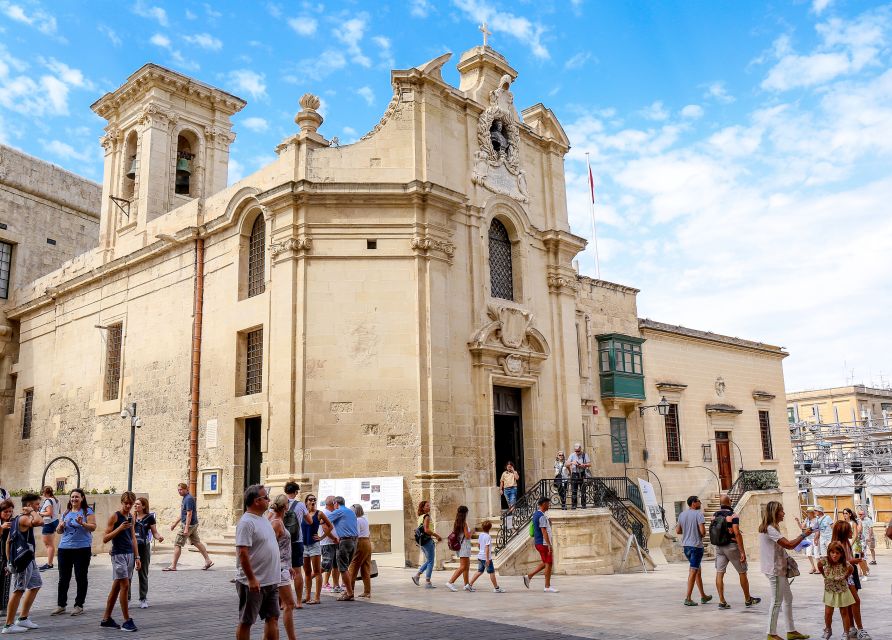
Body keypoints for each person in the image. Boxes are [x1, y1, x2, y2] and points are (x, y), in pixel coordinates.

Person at [758, 500, 811, 640]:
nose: (784, 513)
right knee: (776, 601)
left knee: (788, 598)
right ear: (775, 513)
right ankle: (771, 634)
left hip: (778, 568)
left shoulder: (772, 528)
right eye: (781, 510)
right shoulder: (770, 529)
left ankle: (791, 630)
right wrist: (803, 535)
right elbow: (788, 545)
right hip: (774, 570)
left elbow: (782, 547)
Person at [235, 485, 280, 640]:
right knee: (247, 621)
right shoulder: (246, 522)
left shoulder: (264, 519)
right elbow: (242, 553)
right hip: (253, 582)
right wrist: (251, 578)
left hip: (271, 580)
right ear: (256, 501)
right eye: (265, 497)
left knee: (273, 617)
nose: (269, 500)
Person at [99, 491, 140, 631]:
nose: (128, 506)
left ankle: (106, 619)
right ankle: (127, 620)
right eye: (126, 503)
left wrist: (137, 557)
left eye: (130, 503)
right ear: (122, 502)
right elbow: (105, 538)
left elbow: (133, 538)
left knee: (117, 587)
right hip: (118, 555)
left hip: (129, 555)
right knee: (125, 586)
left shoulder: (131, 517)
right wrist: (120, 528)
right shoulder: (115, 516)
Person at [3, 492, 43, 634]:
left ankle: (23, 618)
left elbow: (9, 541)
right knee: (18, 590)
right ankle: (8, 625)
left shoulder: (16, 519)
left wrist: (9, 561)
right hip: (23, 561)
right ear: (29, 505)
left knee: (36, 584)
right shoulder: (24, 518)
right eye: (37, 504)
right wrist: (32, 511)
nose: (39, 507)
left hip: (29, 559)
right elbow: (40, 522)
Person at [711, 494, 760, 609]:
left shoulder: (714, 515)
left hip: (719, 547)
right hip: (731, 546)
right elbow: (736, 532)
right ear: (729, 502)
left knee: (719, 573)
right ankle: (748, 599)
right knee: (742, 572)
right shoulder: (733, 515)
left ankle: (722, 601)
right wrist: (742, 551)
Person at [53, 488, 95, 616]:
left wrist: (83, 523)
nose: (74, 499)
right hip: (64, 548)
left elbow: (93, 527)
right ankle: (61, 605)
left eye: (77, 497)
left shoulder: (87, 511)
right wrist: (60, 527)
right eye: (72, 497)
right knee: (63, 578)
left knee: (80, 577)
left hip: (82, 549)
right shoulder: (66, 512)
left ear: (82, 498)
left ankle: (79, 605)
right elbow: (59, 531)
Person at [830, 520, 871, 639]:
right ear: (844, 532)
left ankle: (852, 628)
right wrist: (853, 561)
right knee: (854, 602)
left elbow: (847, 558)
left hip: (851, 574)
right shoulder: (837, 544)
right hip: (843, 576)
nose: (852, 532)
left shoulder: (847, 543)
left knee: (851, 602)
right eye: (849, 530)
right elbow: (836, 562)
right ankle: (859, 629)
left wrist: (855, 558)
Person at [165, 482, 213, 571]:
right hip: (192, 524)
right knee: (196, 542)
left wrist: (186, 528)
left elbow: (189, 514)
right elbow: (183, 513)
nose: (179, 491)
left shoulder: (188, 499)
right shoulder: (185, 498)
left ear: (186, 489)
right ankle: (208, 560)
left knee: (177, 544)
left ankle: (173, 566)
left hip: (189, 525)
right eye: (178, 490)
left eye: (181, 490)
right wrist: (175, 523)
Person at [269, 495, 297, 640]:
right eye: (288, 503)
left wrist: (289, 565)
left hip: (283, 567)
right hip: (279, 570)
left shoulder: (278, 520)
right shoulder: (276, 523)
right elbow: (270, 548)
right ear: (285, 506)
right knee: (289, 604)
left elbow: (282, 548)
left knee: (277, 609)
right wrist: (282, 565)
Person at [676, 495, 711, 606]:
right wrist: (698, 533)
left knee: (697, 571)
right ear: (693, 503)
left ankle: (703, 596)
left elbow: (678, 530)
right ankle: (688, 598)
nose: (700, 503)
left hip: (686, 547)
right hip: (696, 546)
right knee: (693, 571)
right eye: (699, 501)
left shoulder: (682, 514)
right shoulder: (698, 514)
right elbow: (702, 532)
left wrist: (688, 532)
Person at [818, 541, 855, 640]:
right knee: (828, 612)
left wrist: (846, 576)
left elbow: (851, 569)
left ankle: (846, 633)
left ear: (841, 554)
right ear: (829, 552)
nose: (834, 555)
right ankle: (828, 629)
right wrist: (824, 575)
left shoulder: (844, 563)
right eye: (832, 552)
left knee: (844, 612)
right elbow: (819, 565)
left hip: (842, 590)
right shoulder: (825, 560)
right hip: (829, 590)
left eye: (837, 553)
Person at [132, 497, 163, 608]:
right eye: (135, 504)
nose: (135, 506)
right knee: (128, 574)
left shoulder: (149, 518)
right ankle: (127, 598)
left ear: (144, 506)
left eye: (138, 504)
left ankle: (143, 598)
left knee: (143, 573)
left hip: (144, 546)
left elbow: (154, 532)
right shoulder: (131, 517)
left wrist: (159, 537)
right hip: (131, 546)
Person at [300, 494, 331, 605]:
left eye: (314, 500)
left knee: (317, 572)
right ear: (306, 502)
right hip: (304, 546)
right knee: (307, 572)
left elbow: (330, 526)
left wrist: (321, 537)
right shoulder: (303, 514)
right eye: (310, 500)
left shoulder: (319, 513)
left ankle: (317, 597)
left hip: (314, 545)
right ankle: (307, 596)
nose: (312, 501)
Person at [327, 496, 359, 601]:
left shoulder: (339, 511)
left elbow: (325, 519)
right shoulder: (351, 512)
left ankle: (349, 593)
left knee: (343, 568)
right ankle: (348, 590)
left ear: (336, 503)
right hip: (354, 541)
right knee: (346, 567)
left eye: (333, 504)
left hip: (345, 541)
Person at [523, 496, 557, 592]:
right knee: (549, 564)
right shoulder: (541, 516)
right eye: (548, 503)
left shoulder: (538, 514)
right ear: (543, 504)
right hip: (543, 544)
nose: (549, 505)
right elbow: (544, 532)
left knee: (545, 563)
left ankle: (528, 577)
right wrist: (549, 545)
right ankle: (547, 586)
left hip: (540, 543)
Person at [283, 482, 306, 608]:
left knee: (281, 570)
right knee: (297, 571)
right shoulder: (300, 505)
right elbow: (308, 520)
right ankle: (298, 601)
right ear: (296, 492)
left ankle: (282, 602)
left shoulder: (279, 503)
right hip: (297, 541)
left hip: (282, 541)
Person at [411, 500, 441, 589]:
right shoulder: (426, 517)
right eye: (427, 506)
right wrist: (437, 536)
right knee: (431, 561)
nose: (429, 507)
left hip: (422, 542)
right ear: (423, 508)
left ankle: (417, 576)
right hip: (427, 541)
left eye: (429, 505)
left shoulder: (420, 516)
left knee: (429, 560)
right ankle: (427, 582)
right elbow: (426, 530)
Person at [468, 520, 503, 592]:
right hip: (486, 557)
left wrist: (481, 551)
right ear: (490, 528)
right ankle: (496, 588)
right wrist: (487, 558)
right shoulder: (488, 537)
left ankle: (469, 585)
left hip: (480, 556)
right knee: (492, 572)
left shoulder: (481, 535)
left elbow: (479, 545)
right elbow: (487, 547)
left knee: (480, 571)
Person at [346, 504, 372, 599]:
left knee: (353, 567)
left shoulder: (356, 520)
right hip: (367, 542)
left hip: (360, 542)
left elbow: (355, 534)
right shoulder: (364, 519)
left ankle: (349, 591)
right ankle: (367, 591)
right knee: (365, 568)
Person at [445, 505, 472, 592]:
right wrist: (472, 532)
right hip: (464, 546)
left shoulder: (457, 522)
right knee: (463, 566)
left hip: (462, 546)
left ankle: (467, 585)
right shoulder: (464, 523)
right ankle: (451, 582)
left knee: (467, 566)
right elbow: (467, 536)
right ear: (465, 513)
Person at [320, 496, 340, 593]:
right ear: (332, 504)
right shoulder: (325, 514)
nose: (337, 504)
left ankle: (336, 585)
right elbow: (325, 528)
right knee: (326, 566)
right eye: (336, 502)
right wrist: (334, 538)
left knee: (336, 565)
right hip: (327, 543)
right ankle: (309, 579)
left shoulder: (332, 513)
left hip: (333, 543)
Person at [842, 509, 869, 579]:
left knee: (858, 559)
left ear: (850, 514)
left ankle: (865, 574)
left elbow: (855, 535)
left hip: (855, 544)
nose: (844, 514)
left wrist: (851, 544)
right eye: (843, 513)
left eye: (846, 513)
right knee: (847, 559)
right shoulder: (843, 523)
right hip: (846, 542)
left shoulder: (853, 523)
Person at [37, 487, 59, 572]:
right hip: (54, 522)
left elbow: (49, 513)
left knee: (48, 545)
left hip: (48, 523)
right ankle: (50, 563)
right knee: (50, 544)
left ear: (45, 493)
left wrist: (39, 513)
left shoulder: (48, 501)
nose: (42, 495)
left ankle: (49, 564)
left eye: (42, 493)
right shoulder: (55, 500)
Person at [567, 443, 591, 509]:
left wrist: (584, 465)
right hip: (574, 474)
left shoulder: (584, 455)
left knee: (583, 490)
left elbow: (589, 464)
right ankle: (574, 505)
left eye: (578, 451)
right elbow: (566, 464)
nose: (577, 452)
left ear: (580, 449)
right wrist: (572, 463)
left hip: (582, 473)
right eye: (576, 451)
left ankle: (583, 505)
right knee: (574, 490)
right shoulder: (572, 455)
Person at [0, 500, 14, 614]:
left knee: (6, 581)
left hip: (7, 557)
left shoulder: (13, 522)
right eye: (5, 511)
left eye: (10, 511)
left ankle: (4, 607)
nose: (8, 514)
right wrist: (1, 528)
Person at [798, 507, 820, 574]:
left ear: (812, 512)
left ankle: (819, 569)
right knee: (808, 553)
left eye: (809, 512)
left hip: (815, 538)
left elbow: (818, 530)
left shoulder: (817, 519)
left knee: (816, 554)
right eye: (807, 512)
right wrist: (798, 522)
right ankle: (813, 567)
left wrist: (816, 539)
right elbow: (802, 527)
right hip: (808, 538)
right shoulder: (807, 519)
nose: (807, 513)